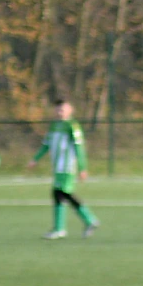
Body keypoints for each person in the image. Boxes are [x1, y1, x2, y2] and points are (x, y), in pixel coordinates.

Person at [28, 96, 98, 239]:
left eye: (63, 109)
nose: (60, 112)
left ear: (70, 110)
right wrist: (35, 159)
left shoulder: (73, 126)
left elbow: (79, 148)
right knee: (62, 194)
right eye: (58, 109)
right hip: (58, 168)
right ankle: (87, 221)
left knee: (61, 194)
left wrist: (82, 168)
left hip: (67, 167)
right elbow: (46, 144)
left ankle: (66, 227)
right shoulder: (54, 126)